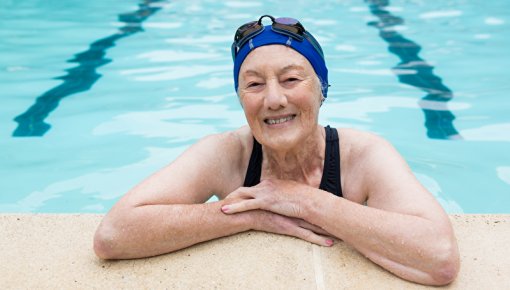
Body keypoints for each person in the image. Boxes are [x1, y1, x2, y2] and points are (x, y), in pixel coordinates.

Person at [93, 15, 460, 286]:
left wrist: (303, 200)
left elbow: (439, 257)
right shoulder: (226, 153)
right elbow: (113, 235)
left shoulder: (363, 155)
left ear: (321, 89)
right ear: (239, 98)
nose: (273, 99)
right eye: (253, 84)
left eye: (291, 79)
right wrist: (251, 215)